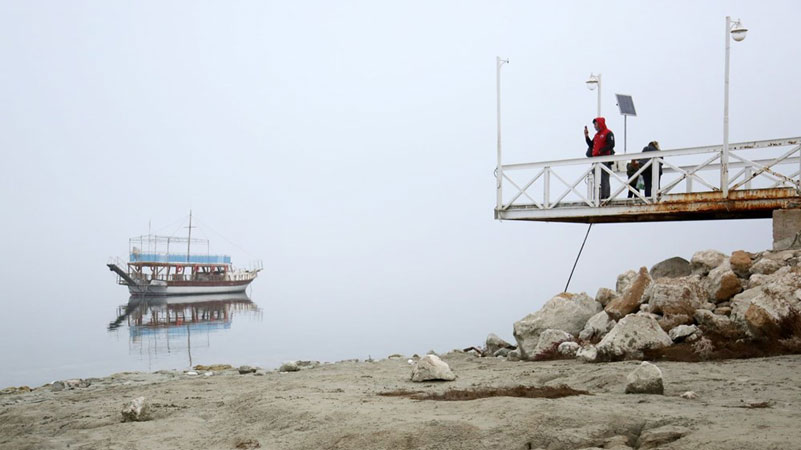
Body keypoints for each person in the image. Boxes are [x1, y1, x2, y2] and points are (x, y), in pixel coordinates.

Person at [584, 117, 615, 200]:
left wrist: (601, 151)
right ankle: (599, 196)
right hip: (596, 160)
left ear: (600, 123)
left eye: (596, 124)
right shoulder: (597, 135)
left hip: (604, 159)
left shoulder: (608, 133)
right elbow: (591, 145)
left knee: (604, 177)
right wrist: (586, 136)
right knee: (597, 178)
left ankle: (606, 196)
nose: (594, 126)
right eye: (594, 124)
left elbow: (611, 144)